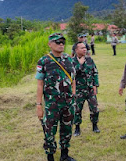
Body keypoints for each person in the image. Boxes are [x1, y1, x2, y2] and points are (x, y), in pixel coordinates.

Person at [36, 33, 77, 161]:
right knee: (49, 131)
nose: (61, 44)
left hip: (68, 103)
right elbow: (40, 84)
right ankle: (50, 156)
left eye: (63, 42)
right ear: (50, 44)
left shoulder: (68, 59)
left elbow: (73, 79)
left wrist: (73, 94)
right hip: (52, 104)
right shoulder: (44, 61)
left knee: (67, 128)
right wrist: (39, 105)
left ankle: (64, 155)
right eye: (57, 42)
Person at [73, 42, 100, 136]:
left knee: (94, 108)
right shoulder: (71, 61)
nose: (85, 49)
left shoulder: (89, 60)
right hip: (78, 90)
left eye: (85, 48)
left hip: (89, 89)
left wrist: (95, 85)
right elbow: (71, 74)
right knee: (77, 110)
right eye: (82, 48)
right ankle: (77, 128)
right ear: (76, 50)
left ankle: (95, 125)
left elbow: (95, 72)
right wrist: (80, 65)